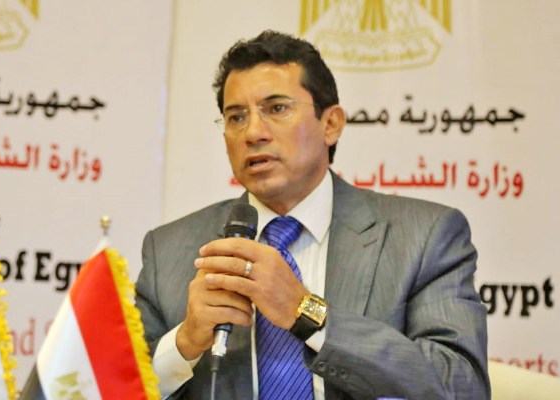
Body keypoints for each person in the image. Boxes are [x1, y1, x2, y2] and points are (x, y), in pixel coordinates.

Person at [135, 30, 489, 400]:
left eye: (276, 108)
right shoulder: (170, 250)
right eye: (236, 116)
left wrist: (306, 312)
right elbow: (113, 387)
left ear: (331, 124)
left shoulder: (423, 236)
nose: (253, 132)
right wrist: (184, 344)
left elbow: (461, 385)